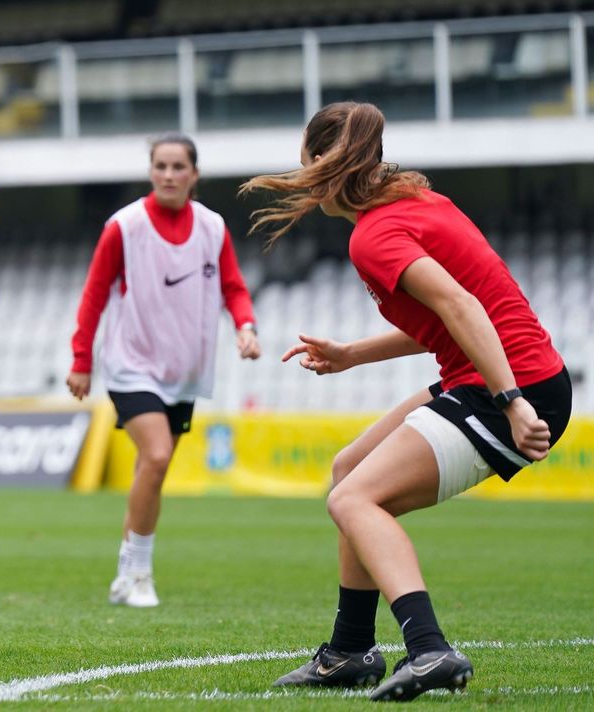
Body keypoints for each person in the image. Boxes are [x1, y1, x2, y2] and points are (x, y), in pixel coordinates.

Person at [240, 102, 571, 701]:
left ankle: (428, 649)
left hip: (510, 385)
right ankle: (348, 650)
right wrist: (352, 355)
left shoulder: (375, 234)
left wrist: (515, 403)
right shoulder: (413, 203)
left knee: (354, 498)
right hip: (495, 375)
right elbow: (445, 320)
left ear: (322, 165)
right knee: (349, 470)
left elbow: (463, 309)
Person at [66, 134, 261, 608]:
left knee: (151, 472)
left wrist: (246, 327)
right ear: (151, 171)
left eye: (178, 167)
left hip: (184, 371)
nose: (169, 175)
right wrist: (81, 360)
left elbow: (233, 286)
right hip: (132, 365)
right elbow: (95, 293)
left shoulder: (213, 228)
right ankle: (137, 574)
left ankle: (125, 568)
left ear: (194, 175)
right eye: (161, 166)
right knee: (155, 458)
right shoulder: (125, 226)